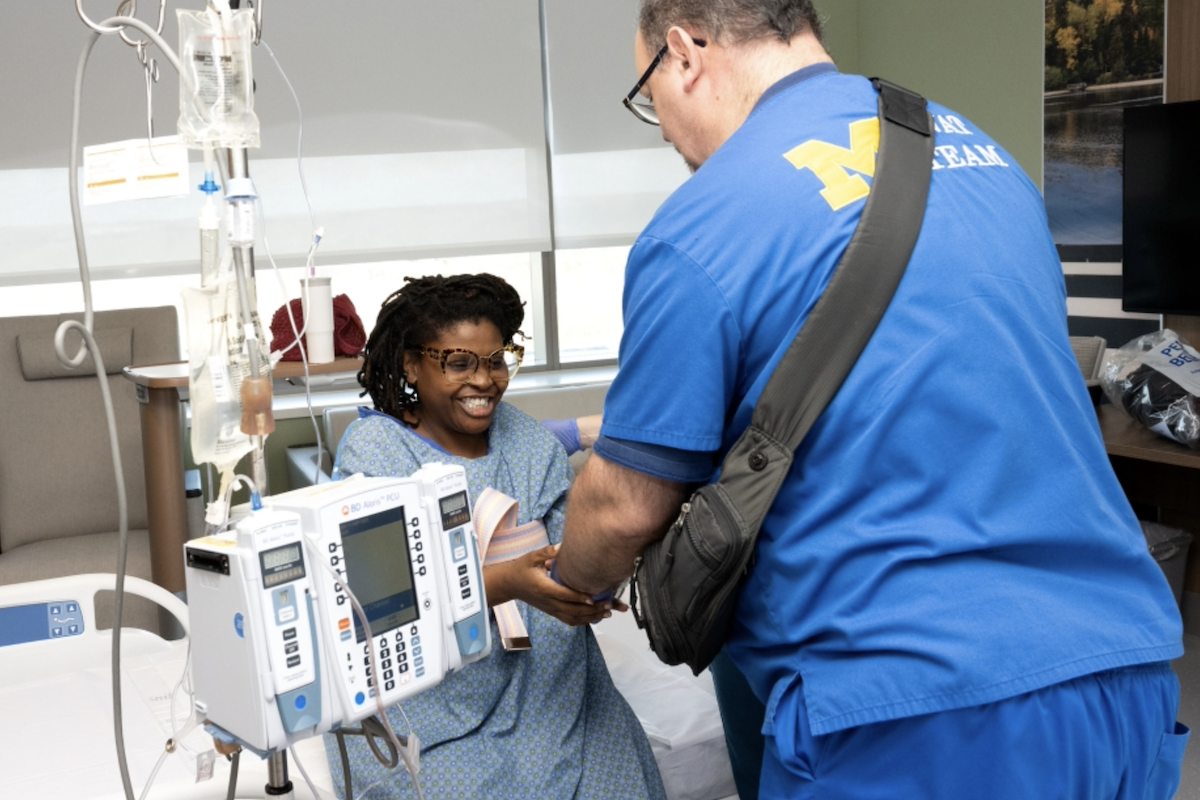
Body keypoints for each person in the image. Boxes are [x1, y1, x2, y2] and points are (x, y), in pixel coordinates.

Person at [553, 2, 1188, 798]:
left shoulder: (704, 222)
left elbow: (623, 509)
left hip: (918, 716)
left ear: (684, 53)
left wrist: (567, 580)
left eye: (650, 97)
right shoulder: (982, 155)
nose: (664, 131)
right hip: (1118, 671)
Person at [326, 274, 665, 800]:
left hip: (550, 680)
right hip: (435, 700)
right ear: (411, 365)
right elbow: (378, 609)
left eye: (496, 361)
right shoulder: (377, 456)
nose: (484, 381)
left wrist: (592, 581)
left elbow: (568, 548)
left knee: (613, 778)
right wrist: (508, 581)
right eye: (459, 362)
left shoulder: (526, 440)